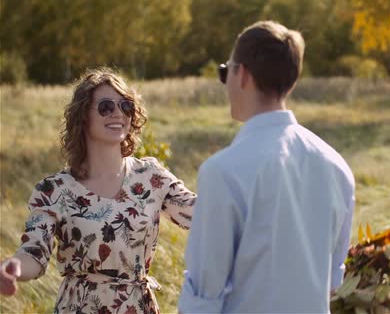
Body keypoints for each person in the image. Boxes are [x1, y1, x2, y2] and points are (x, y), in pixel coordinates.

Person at [178, 21, 355, 313]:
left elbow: (204, 295)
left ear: (242, 74)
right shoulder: (338, 167)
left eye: (225, 72)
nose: (226, 83)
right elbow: (333, 280)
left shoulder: (222, 172)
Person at [0, 68, 197, 314]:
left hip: (135, 308)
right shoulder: (53, 190)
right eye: (105, 106)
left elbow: (202, 215)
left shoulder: (152, 177)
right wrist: (12, 267)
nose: (118, 113)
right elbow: (34, 253)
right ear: (83, 117)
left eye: (125, 106)